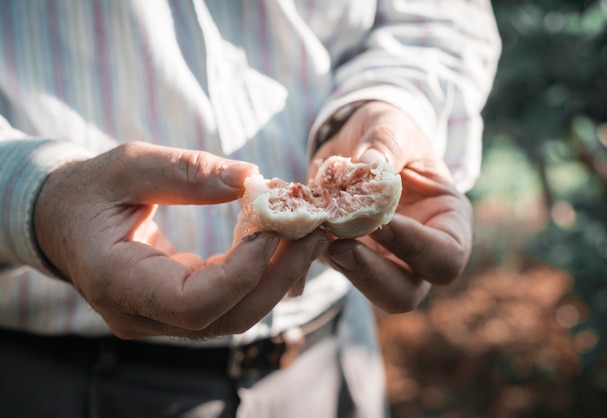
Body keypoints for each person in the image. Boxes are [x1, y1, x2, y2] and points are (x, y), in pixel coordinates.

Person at [0, 1, 501, 417]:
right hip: (55, 379)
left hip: (333, 357)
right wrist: (33, 194)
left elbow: (441, 19)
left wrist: (395, 104)